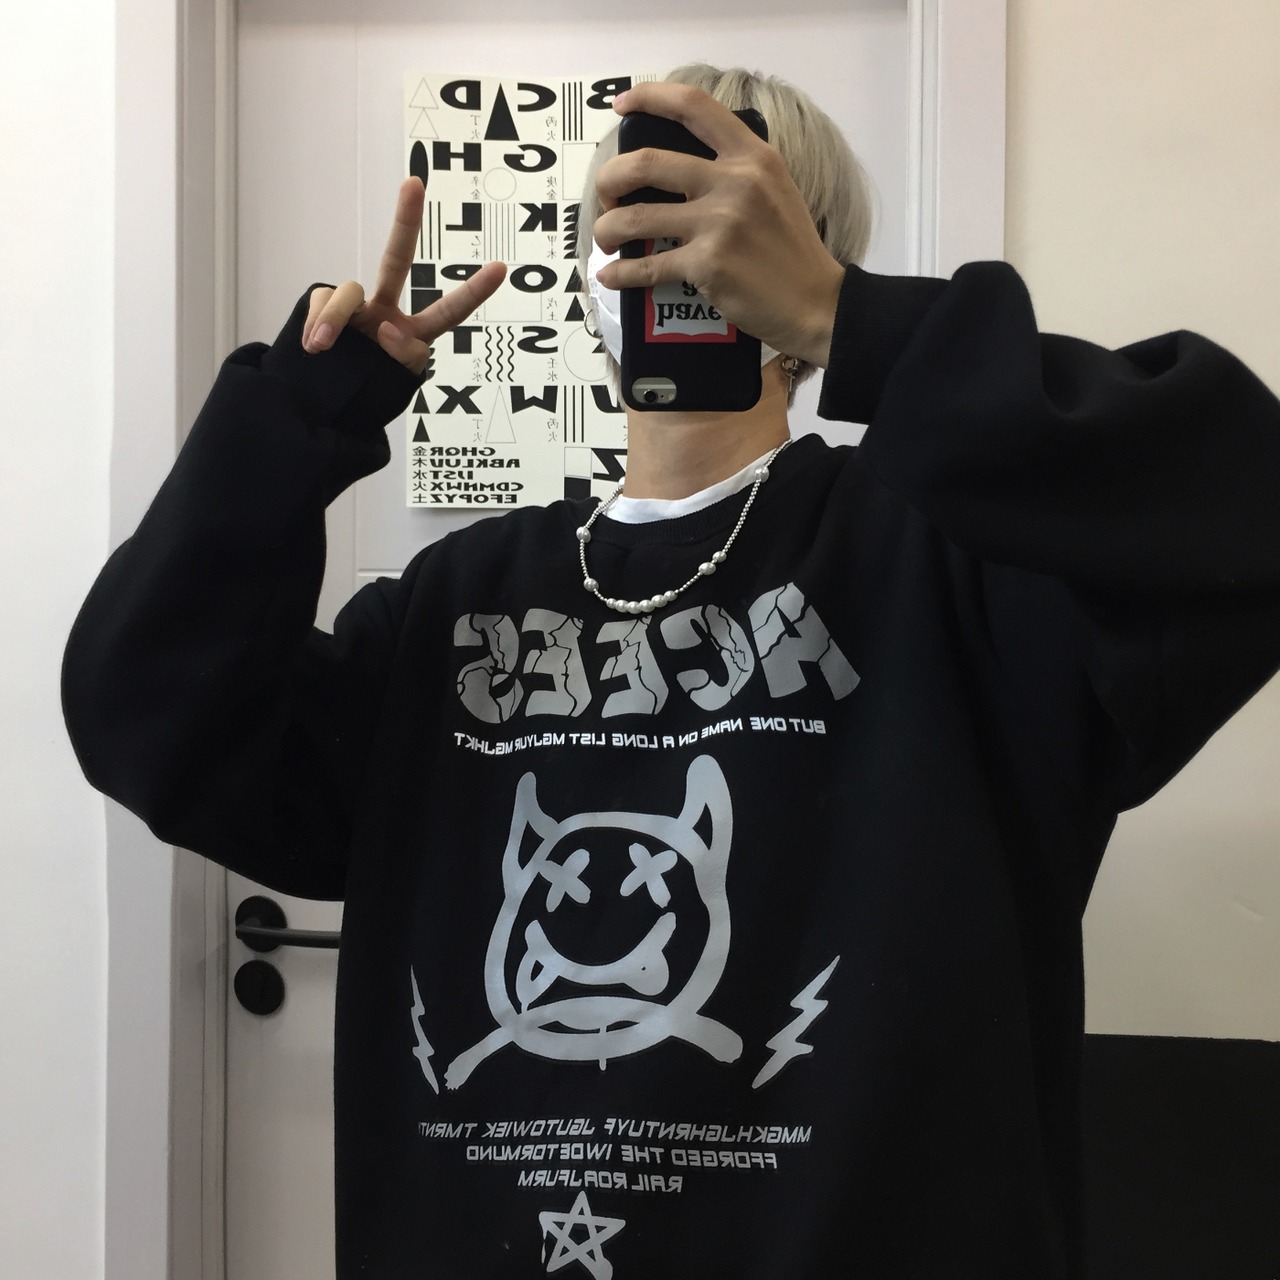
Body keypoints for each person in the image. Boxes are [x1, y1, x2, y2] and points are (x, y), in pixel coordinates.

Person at [63, 64, 1280, 1279]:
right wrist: (299, 420)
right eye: (633, 207)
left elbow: (1244, 508)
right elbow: (143, 714)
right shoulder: (454, 599)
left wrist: (855, 323)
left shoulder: (965, 568)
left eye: (720, 206)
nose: (670, 244)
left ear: (798, 247)